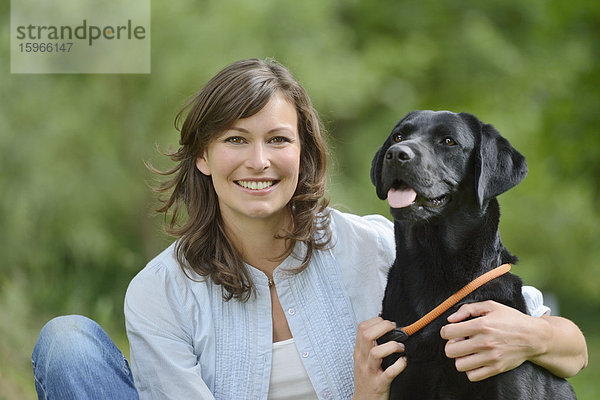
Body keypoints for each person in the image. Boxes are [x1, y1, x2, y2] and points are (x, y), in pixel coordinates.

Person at [32, 58, 588, 400]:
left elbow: (570, 348)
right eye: (234, 140)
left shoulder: (375, 245)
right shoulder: (160, 293)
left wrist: (532, 336)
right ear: (202, 156)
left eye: (278, 140)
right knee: (67, 344)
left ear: (304, 154)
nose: (259, 162)